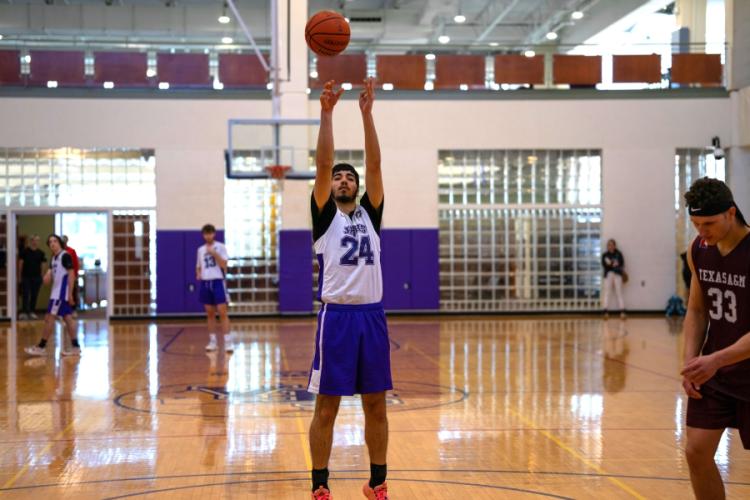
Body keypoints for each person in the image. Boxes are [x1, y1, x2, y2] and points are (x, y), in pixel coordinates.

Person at [308, 78, 391, 500]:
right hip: (337, 318)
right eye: (338, 177)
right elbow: (322, 164)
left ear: (357, 187)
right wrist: (326, 114)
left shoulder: (370, 215)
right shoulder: (326, 217)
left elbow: (374, 165)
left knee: (376, 403)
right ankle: (320, 485)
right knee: (328, 406)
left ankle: (378, 483)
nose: (342, 180)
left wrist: (366, 114)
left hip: (372, 316)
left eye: (348, 177)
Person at [680, 177, 750, 500]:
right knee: (696, 451)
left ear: (731, 213)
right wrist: (691, 363)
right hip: (716, 372)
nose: (702, 231)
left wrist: (715, 360)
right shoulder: (698, 250)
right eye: (696, 224)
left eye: (708, 223)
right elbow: (696, 310)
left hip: (736, 367)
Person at [24, 234, 80, 357]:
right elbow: (49, 276)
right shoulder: (54, 258)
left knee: (49, 318)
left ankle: (41, 347)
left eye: (55, 241)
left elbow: (71, 275)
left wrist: (70, 294)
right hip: (56, 293)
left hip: (60, 294)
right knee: (68, 318)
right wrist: (46, 276)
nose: (52, 244)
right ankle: (76, 347)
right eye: (50, 242)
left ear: (59, 243)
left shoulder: (65, 256)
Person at [196, 224, 233, 352]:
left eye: (210, 233)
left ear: (214, 234)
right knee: (210, 313)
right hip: (205, 283)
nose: (208, 236)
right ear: (203, 235)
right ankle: (212, 341)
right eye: (206, 234)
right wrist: (198, 273)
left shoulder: (220, 247)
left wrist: (214, 253)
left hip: (218, 282)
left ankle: (228, 342)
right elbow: (198, 266)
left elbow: (224, 265)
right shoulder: (200, 250)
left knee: (222, 312)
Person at [19, 235, 47, 320]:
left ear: (38, 242)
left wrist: (42, 276)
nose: (35, 242)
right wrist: (19, 276)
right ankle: (24, 312)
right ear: (31, 241)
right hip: (26, 276)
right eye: (33, 240)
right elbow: (20, 263)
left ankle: (32, 311)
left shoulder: (41, 253)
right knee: (26, 294)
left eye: (37, 240)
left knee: (34, 295)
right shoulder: (24, 252)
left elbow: (43, 265)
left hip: (37, 277)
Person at [601, 239, 626, 319]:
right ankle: (605, 312)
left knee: (619, 292)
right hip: (608, 274)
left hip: (617, 274)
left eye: (612, 245)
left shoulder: (619, 254)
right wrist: (613, 264)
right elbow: (605, 265)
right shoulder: (605, 255)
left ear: (615, 246)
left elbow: (621, 263)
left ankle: (622, 312)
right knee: (607, 293)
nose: (610, 246)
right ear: (607, 246)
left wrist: (612, 264)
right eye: (609, 245)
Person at [62, 235, 80, 312]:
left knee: (72, 292)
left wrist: (75, 275)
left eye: (65, 241)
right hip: (62, 276)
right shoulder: (58, 251)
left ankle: (73, 309)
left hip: (71, 275)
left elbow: (75, 264)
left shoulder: (71, 251)